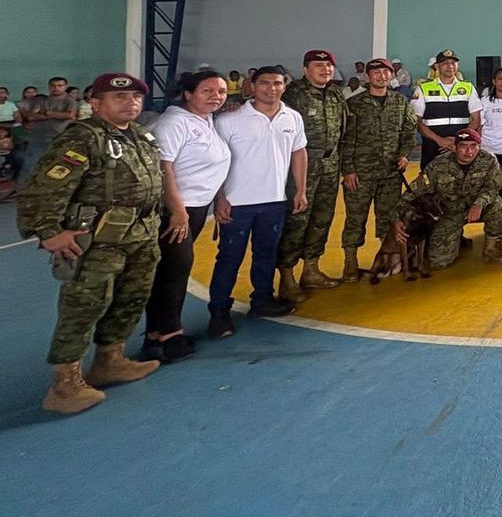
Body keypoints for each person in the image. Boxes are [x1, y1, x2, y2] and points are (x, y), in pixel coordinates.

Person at [17, 73, 164, 414]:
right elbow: (44, 189)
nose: (130, 103)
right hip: (97, 241)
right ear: (95, 103)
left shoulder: (140, 135)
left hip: (140, 235)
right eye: (119, 97)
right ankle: (64, 384)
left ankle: (110, 360)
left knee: (130, 299)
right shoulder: (82, 138)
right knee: (84, 306)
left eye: (135, 97)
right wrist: (49, 232)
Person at [209, 66, 307, 337]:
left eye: (277, 83)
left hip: (274, 200)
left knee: (266, 254)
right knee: (229, 258)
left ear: (284, 86)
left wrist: (300, 190)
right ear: (252, 86)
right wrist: (220, 197)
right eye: (264, 83)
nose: (271, 89)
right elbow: (215, 161)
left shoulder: (292, 117)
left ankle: (262, 300)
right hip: (237, 203)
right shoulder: (229, 120)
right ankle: (219, 313)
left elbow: (299, 153)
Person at [144, 70, 231, 363]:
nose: (216, 97)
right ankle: (170, 337)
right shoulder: (174, 123)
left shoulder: (205, 120)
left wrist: (217, 198)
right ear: (188, 94)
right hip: (175, 209)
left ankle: (155, 334)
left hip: (196, 207)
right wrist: (177, 211)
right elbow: (163, 167)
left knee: (169, 270)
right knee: (174, 271)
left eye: (221, 91)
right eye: (207, 91)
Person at [277, 49, 350, 292]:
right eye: (318, 65)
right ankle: (286, 276)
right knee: (296, 220)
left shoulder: (335, 94)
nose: (325, 69)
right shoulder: (293, 94)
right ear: (305, 69)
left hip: (330, 165)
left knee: (322, 218)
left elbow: (344, 130)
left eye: (328, 65)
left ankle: (311, 270)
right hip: (301, 167)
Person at [338, 58, 416, 281]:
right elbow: (345, 139)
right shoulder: (354, 104)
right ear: (368, 76)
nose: (381, 76)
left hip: (390, 173)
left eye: (385, 72)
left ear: (391, 75)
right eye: (376, 73)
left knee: (389, 217)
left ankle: (386, 257)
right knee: (355, 218)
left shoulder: (400, 102)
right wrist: (348, 170)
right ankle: (350, 263)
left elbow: (409, 131)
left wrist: (404, 154)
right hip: (360, 174)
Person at [403, 127, 502, 264]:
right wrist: (396, 219)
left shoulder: (489, 160)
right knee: (438, 261)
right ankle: (455, 238)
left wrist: (479, 203)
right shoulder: (438, 165)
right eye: (463, 146)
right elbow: (412, 193)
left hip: (477, 208)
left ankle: (490, 248)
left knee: (498, 206)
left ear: (479, 146)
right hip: (449, 213)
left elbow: (493, 186)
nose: (469, 151)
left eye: (473, 146)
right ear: (454, 147)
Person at [412, 49, 481, 167]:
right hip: (433, 147)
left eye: (453, 63)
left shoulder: (468, 87)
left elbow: (476, 119)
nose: (450, 66)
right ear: (437, 66)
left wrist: (457, 140)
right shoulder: (423, 88)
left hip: (460, 148)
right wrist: (440, 140)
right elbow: (417, 121)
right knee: (431, 177)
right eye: (445, 63)